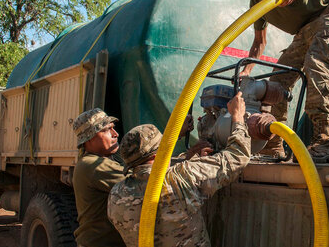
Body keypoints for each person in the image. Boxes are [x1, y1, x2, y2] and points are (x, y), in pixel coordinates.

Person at [223, 0, 329, 163]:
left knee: (316, 66)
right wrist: (246, 71)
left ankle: (323, 141)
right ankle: (274, 145)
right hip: (303, 31)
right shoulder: (256, 3)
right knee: (276, 83)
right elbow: (259, 42)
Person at [107, 92, 251, 246]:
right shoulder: (181, 177)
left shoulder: (116, 194)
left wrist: (190, 157)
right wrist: (237, 118)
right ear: (159, 154)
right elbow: (237, 156)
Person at [72, 108, 126, 247]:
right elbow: (142, 181)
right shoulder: (93, 165)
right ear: (89, 138)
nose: (116, 134)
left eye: (113, 128)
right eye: (107, 130)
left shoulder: (98, 161)